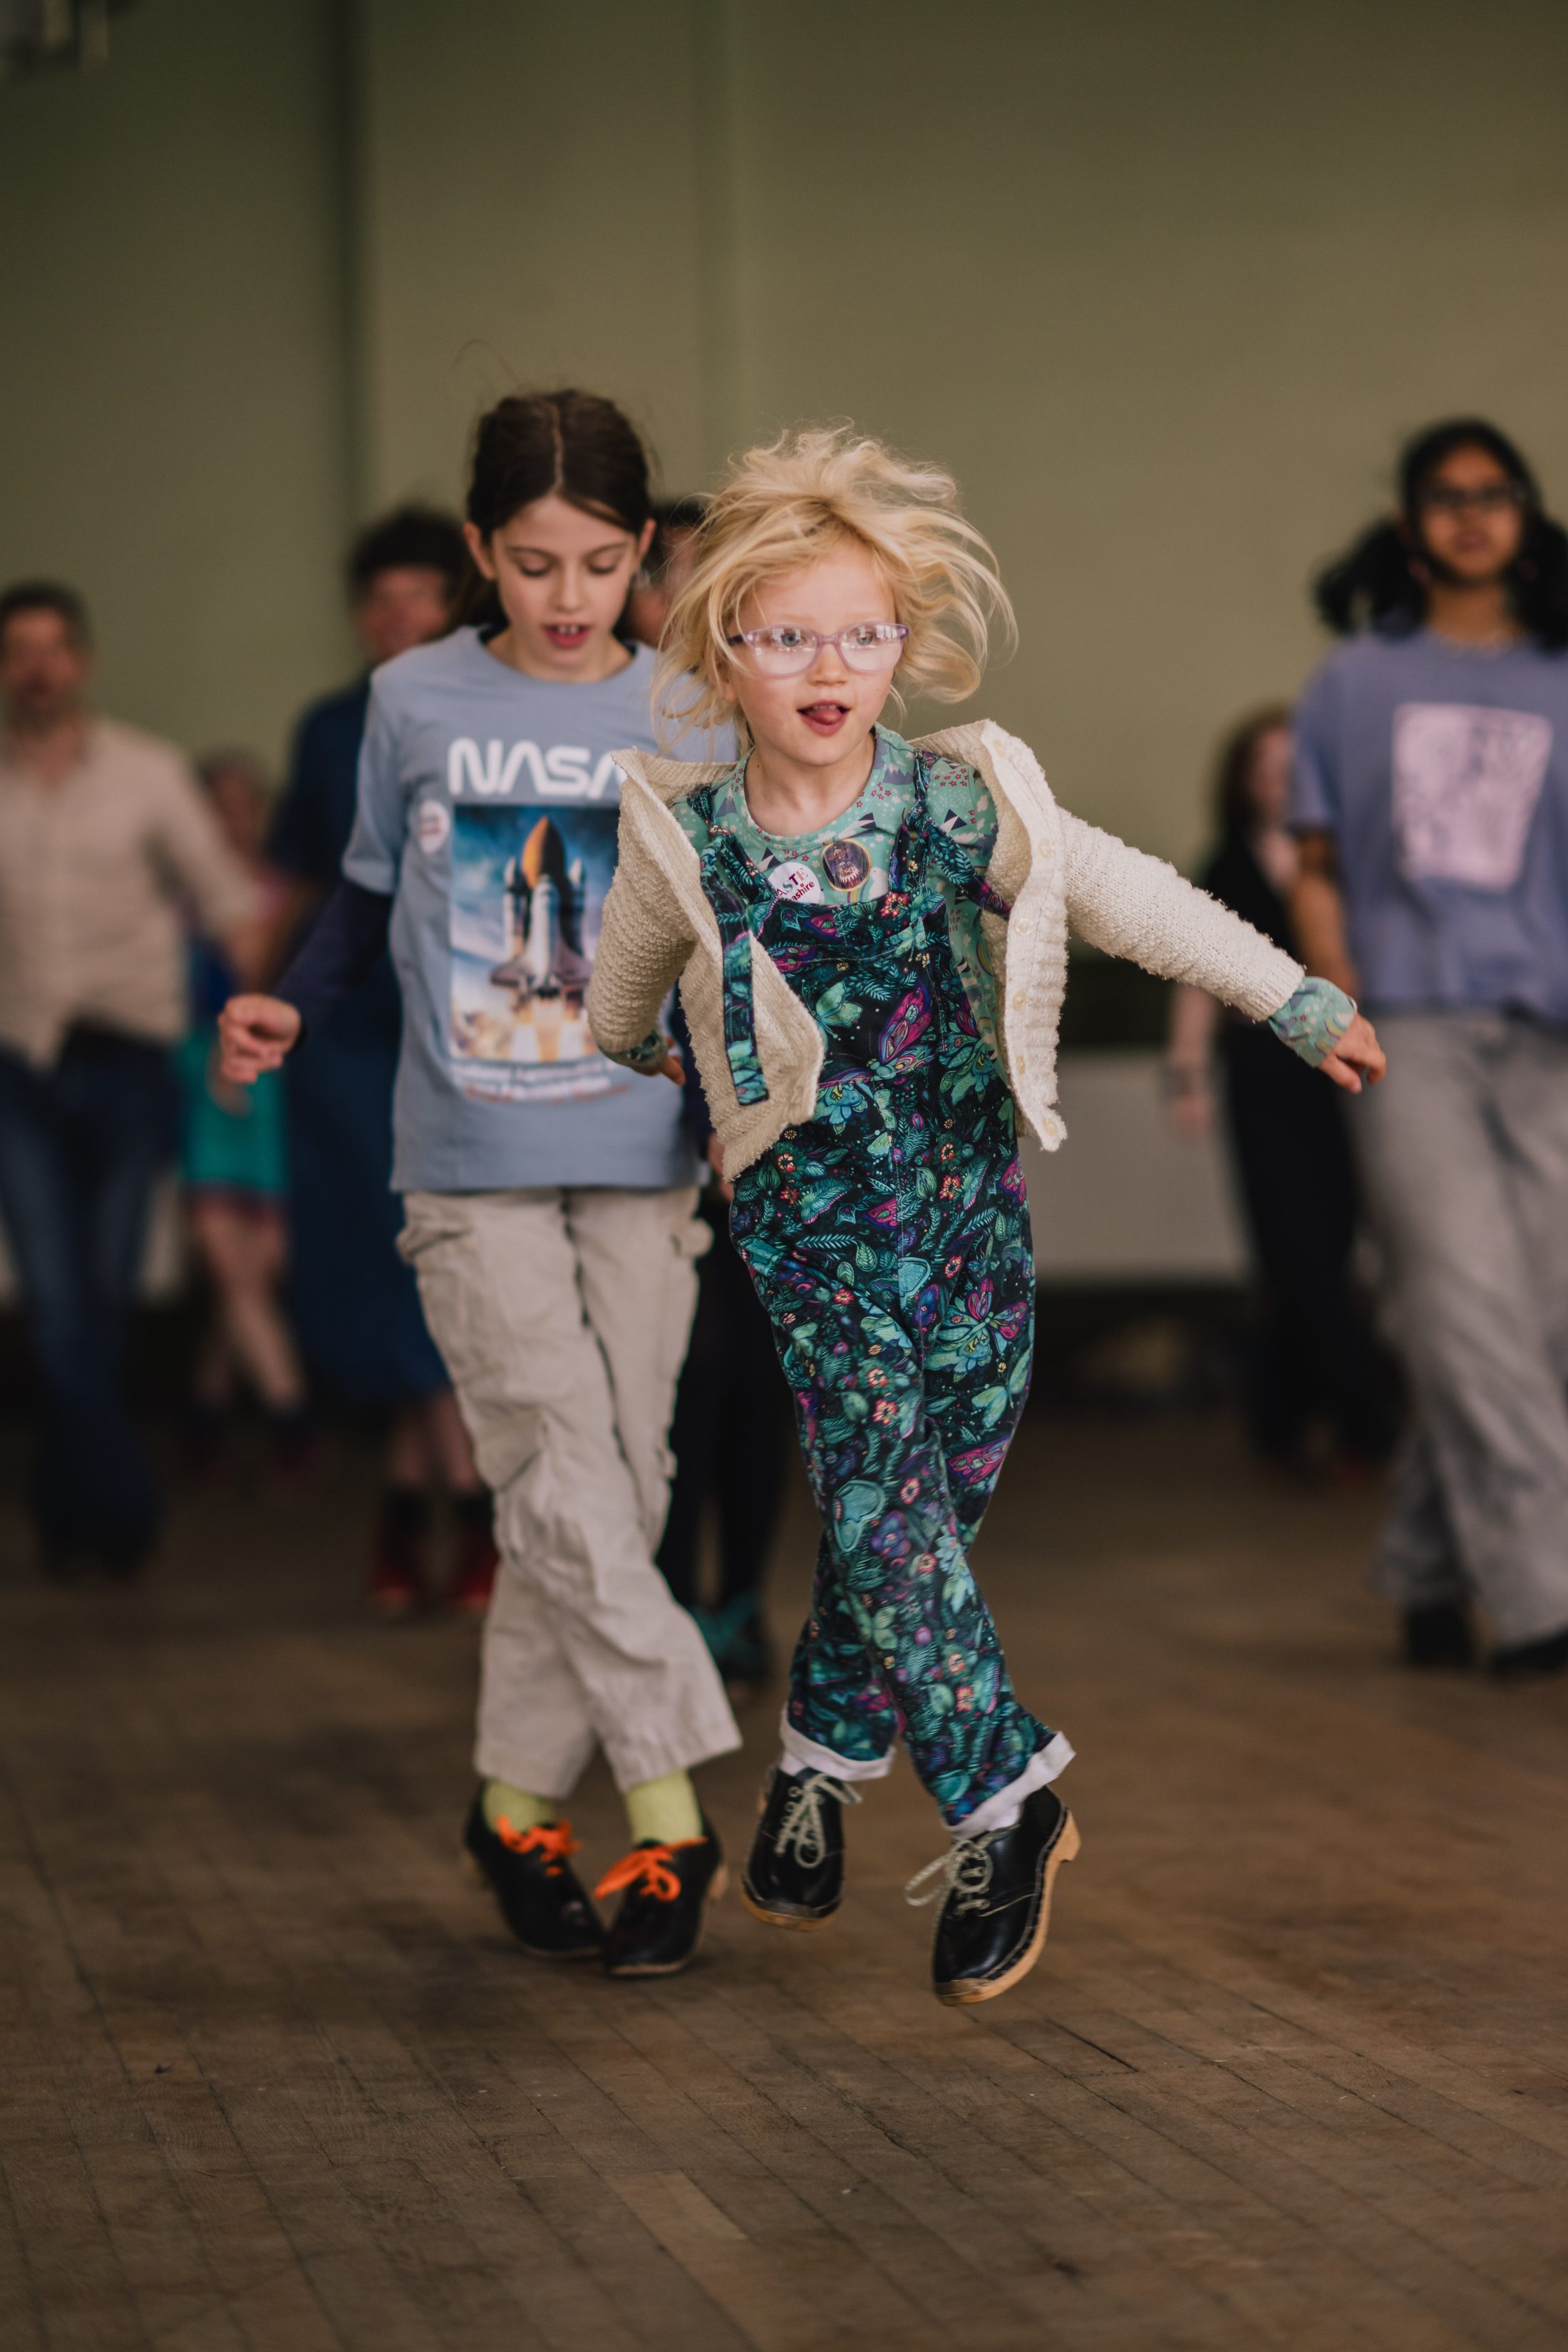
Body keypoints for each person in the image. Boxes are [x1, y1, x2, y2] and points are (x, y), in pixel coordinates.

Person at [587, 427, 1386, 2007]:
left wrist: (1288, 997)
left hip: (967, 1216)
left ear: (904, 643)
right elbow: (620, 1011)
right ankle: (1005, 1798)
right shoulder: (689, 840)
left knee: (916, 1521)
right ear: (723, 646)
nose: (830, 667)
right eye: (789, 635)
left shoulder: (957, 802)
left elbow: (1127, 896)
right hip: (807, 1226)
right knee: (882, 1493)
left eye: (862, 633)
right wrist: (693, 1032)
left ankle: (816, 1760)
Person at [219, 391, 741, 1980]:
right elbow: (362, 888)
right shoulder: (409, 701)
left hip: (643, 1153)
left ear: (643, 552)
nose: (567, 595)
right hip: (469, 1161)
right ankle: (670, 1817)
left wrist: (743, 1110)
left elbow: (731, 947)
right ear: (477, 554)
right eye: (530, 564)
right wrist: (293, 999)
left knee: (610, 1490)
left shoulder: (688, 711)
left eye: (595, 562)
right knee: (562, 1477)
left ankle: (514, 1804)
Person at [1291, 417, 1568, 1682]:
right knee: (1463, 1308)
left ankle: (1423, 1564)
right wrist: (1338, 1001)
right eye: (1446, 498)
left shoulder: (1560, 670)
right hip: (1407, 1026)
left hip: (1548, 1032)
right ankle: (1544, 1594)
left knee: (1547, 1317)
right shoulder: (1355, 680)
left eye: (1495, 494)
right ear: (1410, 525)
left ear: (1525, 514)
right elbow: (1319, 861)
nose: (1472, 516)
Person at [0, 582, 259, 1575]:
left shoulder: (148, 775)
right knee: (58, 1308)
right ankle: (118, 1509)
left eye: (52, 648)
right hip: (19, 1071)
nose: (37, 666)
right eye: (18, 649)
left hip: (126, 1066)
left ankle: (71, 1508)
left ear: (82, 662)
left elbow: (233, 905)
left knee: (102, 1304)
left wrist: (242, 1041)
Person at [269, 507, 495, 1614]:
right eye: (381, 599)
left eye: (420, 596)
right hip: (349, 1037)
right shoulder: (324, 729)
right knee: (381, 1262)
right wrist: (257, 1015)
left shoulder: (489, 714)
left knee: (460, 1263)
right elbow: (296, 888)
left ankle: (421, 1505)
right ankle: (457, 1502)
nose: (398, 616)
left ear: (456, 605)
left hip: (472, 1022)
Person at [625, 502, 790, 1686]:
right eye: (671, 578)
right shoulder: (611, 734)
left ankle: (736, 1599)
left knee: (756, 1375)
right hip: (636, 1103)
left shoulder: (772, 722)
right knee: (673, 1379)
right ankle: (672, 1601)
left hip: (760, 1106)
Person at [1167, 708, 1396, 1473]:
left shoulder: (1345, 862)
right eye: (1264, 764)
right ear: (1243, 778)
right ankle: (1360, 1419)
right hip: (1261, 1076)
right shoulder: (1224, 863)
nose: (1278, 777)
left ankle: (1291, 1418)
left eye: (1292, 764)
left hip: (1342, 1075)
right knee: (1287, 1249)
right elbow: (1197, 978)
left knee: (1331, 1248)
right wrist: (1187, 1072)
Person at [177, 751, 311, 1475]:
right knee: (227, 1267)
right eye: (217, 804)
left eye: (243, 802)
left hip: (272, 1086)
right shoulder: (176, 894)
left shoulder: (287, 894)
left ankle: (203, 1419)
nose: (232, 818)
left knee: (256, 1270)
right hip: (201, 1078)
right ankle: (295, 1421)